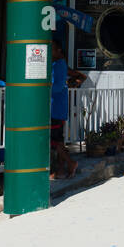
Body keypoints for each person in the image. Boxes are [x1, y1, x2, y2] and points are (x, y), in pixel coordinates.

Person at [50, 38, 81, 179]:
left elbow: (57, 87)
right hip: (57, 108)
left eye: (51, 48)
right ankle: (61, 170)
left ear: (58, 50)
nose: (49, 51)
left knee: (54, 141)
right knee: (58, 141)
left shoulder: (59, 65)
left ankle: (70, 163)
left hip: (55, 108)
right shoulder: (57, 64)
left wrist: (40, 89)